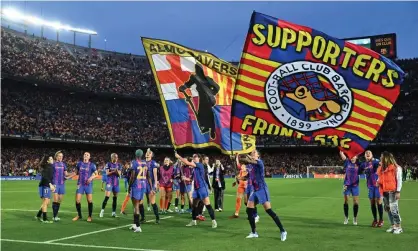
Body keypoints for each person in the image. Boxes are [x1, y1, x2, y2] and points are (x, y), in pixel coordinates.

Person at [240, 150, 286, 240]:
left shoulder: (260, 163)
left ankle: (283, 231)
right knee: (249, 210)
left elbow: (250, 161)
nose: (253, 153)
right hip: (254, 190)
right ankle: (254, 232)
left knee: (269, 210)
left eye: (255, 152)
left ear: (258, 156)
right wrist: (242, 177)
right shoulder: (250, 166)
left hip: (262, 189)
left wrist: (245, 156)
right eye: (252, 153)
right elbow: (249, 175)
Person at [175, 152, 217, 228]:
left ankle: (214, 221)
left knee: (207, 205)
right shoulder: (194, 169)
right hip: (197, 189)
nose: (194, 158)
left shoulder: (199, 165)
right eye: (193, 156)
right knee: (194, 205)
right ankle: (194, 221)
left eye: (195, 157)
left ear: (199, 159)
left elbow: (187, 162)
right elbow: (191, 179)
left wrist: (179, 157)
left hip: (202, 188)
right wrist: (186, 178)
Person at [377, 152, 403, 234]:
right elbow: (380, 178)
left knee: (394, 209)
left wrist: (398, 191)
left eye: (381, 157)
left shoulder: (396, 168)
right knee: (387, 209)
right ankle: (393, 226)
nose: (380, 158)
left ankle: (398, 227)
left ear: (386, 158)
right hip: (384, 191)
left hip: (393, 191)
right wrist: (378, 182)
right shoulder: (381, 168)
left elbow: (399, 180)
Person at [340, 151, 363, 225]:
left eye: (354, 156)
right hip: (346, 185)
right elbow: (343, 156)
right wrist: (341, 151)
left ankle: (355, 218)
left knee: (356, 202)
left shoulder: (359, 164)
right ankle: (346, 217)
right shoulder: (347, 162)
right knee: (346, 201)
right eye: (351, 156)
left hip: (355, 185)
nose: (352, 157)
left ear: (357, 157)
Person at [361, 150, 384, 227]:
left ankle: (381, 220)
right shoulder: (364, 164)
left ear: (372, 155)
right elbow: (357, 170)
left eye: (369, 153)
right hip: (370, 186)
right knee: (372, 202)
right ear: (364, 156)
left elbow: (382, 165)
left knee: (379, 202)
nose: (367, 154)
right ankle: (375, 219)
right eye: (366, 153)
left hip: (377, 185)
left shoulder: (376, 161)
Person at [128, 149, 149, 233]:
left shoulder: (134, 162)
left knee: (136, 205)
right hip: (143, 185)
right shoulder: (145, 162)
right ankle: (134, 224)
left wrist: (129, 186)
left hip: (136, 185)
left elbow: (132, 176)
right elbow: (148, 175)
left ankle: (138, 226)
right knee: (136, 205)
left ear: (136, 154)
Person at [73, 152, 97, 222]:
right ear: (83, 156)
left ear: (89, 157)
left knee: (89, 201)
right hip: (80, 184)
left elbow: (97, 174)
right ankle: (79, 215)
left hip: (88, 185)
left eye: (87, 155)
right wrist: (67, 177)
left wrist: (91, 178)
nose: (86, 156)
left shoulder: (92, 165)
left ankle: (90, 216)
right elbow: (76, 172)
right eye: (85, 155)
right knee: (77, 201)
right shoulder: (79, 164)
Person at [52, 151, 73, 222]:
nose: (61, 157)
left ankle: (56, 214)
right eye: (59, 156)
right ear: (56, 157)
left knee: (59, 201)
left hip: (62, 184)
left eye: (62, 156)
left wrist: (73, 173)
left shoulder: (63, 164)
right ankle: (54, 216)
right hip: (55, 184)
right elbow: (50, 173)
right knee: (55, 200)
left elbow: (66, 174)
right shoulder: (53, 164)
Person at [99, 153, 122, 218]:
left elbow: (119, 175)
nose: (116, 158)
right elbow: (107, 173)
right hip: (109, 182)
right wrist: (114, 171)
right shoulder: (108, 164)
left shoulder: (119, 165)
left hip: (116, 183)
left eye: (117, 157)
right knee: (107, 197)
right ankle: (102, 211)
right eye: (115, 157)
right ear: (112, 158)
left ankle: (113, 212)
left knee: (115, 198)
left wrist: (116, 171)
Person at [35, 155, 56, 223]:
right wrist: (50, 184)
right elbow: (44, 176)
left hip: (48, 185)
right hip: (44, 185)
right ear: (47, 161)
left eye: (52, 158)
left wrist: (53, 185)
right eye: (51, 159)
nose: (52, 160)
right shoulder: (46, 167)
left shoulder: (52, 167)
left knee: (47, 202)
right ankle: (44, 219)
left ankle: (38, 215)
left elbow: (51, 177)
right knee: (45, 201)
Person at [230, 154, 248, 219]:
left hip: (247, 186)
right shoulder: (241, 168)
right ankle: (236, 213)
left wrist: (236, 157)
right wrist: (235, 182)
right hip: (240, 185)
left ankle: (252, 213)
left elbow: (246, 178)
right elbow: (237, 165)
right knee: (238, 199)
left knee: (246, 202)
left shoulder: (249, 167)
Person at [144, 148, 160, 223]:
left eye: (149, 153)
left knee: (152, 201)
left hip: (150, 185)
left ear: (152, 155)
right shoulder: (142, 162)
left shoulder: (153, 163)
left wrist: (155, 186)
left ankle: (157, 218)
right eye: (147, 152)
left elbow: (155, 175)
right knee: (140, 201)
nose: (148, 153)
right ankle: (142, 218)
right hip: (142, 184)